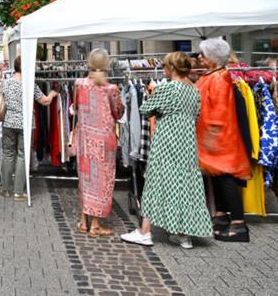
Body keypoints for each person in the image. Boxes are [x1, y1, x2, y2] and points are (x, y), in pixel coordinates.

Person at [120, 52, 213, 249]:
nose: (163, 69)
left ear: (171, 68)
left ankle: (145, 232)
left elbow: (145, 109)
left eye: (165, 66)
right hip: (187, 142)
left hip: (167, 140)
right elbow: (196, 116)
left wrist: (157, 105)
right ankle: (183, 235)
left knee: (156, 181)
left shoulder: (167, 88)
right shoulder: (194, 90)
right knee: (185, 184)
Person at [196, 37, 251, 242]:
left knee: (225, 177)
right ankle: (221, 216)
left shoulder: (219, 78)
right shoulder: (212, 75)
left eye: (203, 54)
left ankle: (238, 224)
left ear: (212, 57)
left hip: (220, 138)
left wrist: (212, 135)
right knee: (217, 177)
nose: (199, 57)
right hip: (212, 137)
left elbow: (219, 110)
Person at [74, 49, 124, 237]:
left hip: (85, 139)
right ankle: (95, 225)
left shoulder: (79, 84)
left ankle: (83, 221)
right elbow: (118, 112)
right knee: (102, 180)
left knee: (86, 179)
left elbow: (76, 107)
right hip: (103, 142)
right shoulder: (111, 89)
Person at [0, 55, 57, 200]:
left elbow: (0, 100)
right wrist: (52, 93)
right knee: (22, 155)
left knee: (7, 154)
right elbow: (45, 101)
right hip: (25, 123)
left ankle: (5, 189)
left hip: (8, 122)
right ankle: (18, 192)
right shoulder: (30, 84)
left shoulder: (6, 83)